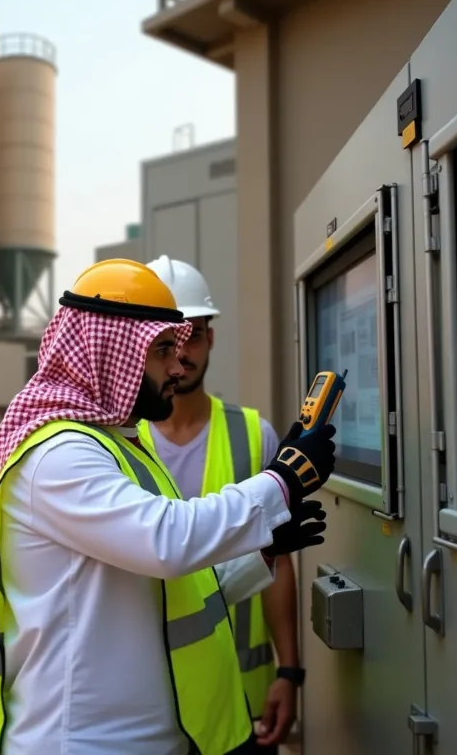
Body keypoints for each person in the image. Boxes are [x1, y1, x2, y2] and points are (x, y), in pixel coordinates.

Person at [0, 258, 335, 755]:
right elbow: (167, 542)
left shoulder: (118, 446)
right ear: (110, 353)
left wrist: (262, 551)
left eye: (181, 345)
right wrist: (281, 481)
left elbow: (171, 591)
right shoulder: (59, 456)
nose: (178, 365)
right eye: (161, 350)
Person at [140, 256, 306, 754]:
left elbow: (277, 561)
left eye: (192, 335)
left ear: (211, 337)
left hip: (240, 698)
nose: (181, 353)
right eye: (166, 340)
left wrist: (289, 671)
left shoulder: (253, 434)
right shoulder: (117, 443)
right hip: (148, 701)